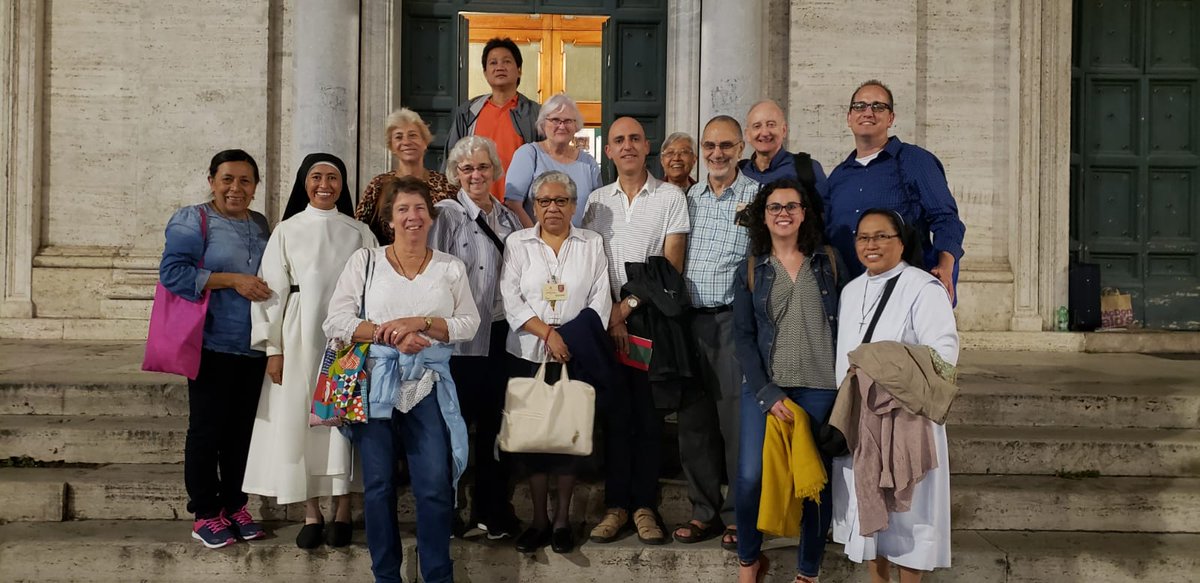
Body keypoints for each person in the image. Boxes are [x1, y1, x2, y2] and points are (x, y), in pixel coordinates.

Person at [323, 176, 479, 583]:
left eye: (420, 209)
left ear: (431, 216)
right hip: (375, 385)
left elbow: (469, 323)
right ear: (389, 219)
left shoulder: (450, 266)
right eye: (403, 209)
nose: (413, 217)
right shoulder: (365, 261)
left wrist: (421, 323)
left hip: (428, 386)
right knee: (377, 487)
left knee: (434, 485)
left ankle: (437, 575)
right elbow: (336, 320)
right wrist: (388, 334)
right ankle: (386, 576)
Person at [242, 153, 376, 549]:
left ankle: (342, 509)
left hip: (347, 339)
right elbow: (271, 292)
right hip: (299, 334)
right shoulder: (287, 230)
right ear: (304, 182)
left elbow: (374, 287)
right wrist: (273, 348)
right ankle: (311, 512)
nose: (324, 185)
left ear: (342, 185)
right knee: (301, 419)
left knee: (341, 421)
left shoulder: (359, 232)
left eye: (333, 177)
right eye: (316, 176)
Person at [831, 209, 957, 583]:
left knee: (909, 518)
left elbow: (943, 356)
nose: (871, 245)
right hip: (863, 420)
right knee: (871, 513)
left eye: (881, 236)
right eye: (863, 237)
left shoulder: (923, 288)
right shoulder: (851, 291)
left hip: (906, 420)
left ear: (901, 242)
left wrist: (878, 364)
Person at [731, 179, 847, 583]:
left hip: (819, 387)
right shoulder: (751, 269)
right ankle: (749, 561)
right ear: (763, 217)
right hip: (765, 388)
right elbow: (742, 337)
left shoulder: (828, 261)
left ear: (804, 213)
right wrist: (767, 392)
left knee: (813, 481)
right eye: (775, 207)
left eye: (791, 206)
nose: (783, 213)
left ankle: (807, 571)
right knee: (750, 477)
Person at [582, 116, 690, 546]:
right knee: (614, 416)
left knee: (647, 417)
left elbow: (670, 266)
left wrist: (625, 309)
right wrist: (608, 313)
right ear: (608, 151)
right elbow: (589, 262)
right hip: (603, 319)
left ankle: (645, 506)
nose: (627, 146)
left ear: (647, 147)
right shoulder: (596, 202)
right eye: (618, 140)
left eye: (634, 139)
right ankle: (616, 506)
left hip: (649, 322)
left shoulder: (670, 197)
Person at [158, 149, 271, 548]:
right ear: (212, 181)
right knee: (207, 430)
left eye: (245, 181)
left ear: (255, 187)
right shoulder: (193, 219)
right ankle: (206, 511)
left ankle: (235, 506)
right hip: (210, 342)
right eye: (227, 179)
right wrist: (233, 280)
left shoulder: (260, 223)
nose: (235, 188)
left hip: (252, 346)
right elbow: (173, 272)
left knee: (241, 433)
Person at [499, 170, 613, 554]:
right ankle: (538, 520)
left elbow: (600, 299)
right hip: (528, 352)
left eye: (561, 201)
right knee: (533, 440)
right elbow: (511, 297)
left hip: (574, 353)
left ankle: (562, 519)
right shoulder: (518, 243)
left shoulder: (591, 243)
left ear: (573, 205)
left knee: (567, 435)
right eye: (544, 201)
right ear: (534, 206)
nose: (552, 208)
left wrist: (570, 339)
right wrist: (548, 334)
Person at [429, 135, 524, 540]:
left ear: (494, 170)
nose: (475, 175)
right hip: (457, 340)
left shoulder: (509, 219)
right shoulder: (445, 216)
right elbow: (432, 274)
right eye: (467, 168)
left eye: (483, 167)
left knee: (493, 429)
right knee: (450, 428)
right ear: (456, 174)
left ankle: (491, 511)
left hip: (500, 336)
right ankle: (446, 510)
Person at [673, 116, 761, 550]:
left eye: (726, 145)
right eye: (709, 146)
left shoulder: (758, 198)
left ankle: (737, 515)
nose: (717, 153)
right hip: (688, 321)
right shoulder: (688, 197)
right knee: (694, 423)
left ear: (741, 148)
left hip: (730, 322)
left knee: (734, 423)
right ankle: (702, 511)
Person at [823, 80, 966, 303]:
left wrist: (946, 266)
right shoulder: (838, 176)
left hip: (904, 295)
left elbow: (946, 219)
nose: (868, 112)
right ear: (849, 117)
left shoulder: (915, 161)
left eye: (878, 106)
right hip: (850, 296)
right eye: (860, 106)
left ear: (891, 118)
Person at [446, 37, 542, 200]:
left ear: (519, 70)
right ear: (485, 72)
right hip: (474, 205)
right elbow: (452, 162)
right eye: (493, 63)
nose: (500, 67)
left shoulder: (536, 114)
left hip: (521, 207)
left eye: (506, 61)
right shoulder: (468, 112)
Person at [356, 108, 457, 244]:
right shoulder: (379, 185)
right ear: (391, 146)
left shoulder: (447, 185)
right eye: (398, 137)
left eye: (413, 135)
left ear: (425, 142)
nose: (406, 142)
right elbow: (358, 230)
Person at [503, 93, 602, 227]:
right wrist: (535, 236)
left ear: (576, 126)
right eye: (555, 120)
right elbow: (512, 204)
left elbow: (597, 210)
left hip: (580, 239)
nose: (562, 126)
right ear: (543, 124)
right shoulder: (528, 154)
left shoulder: (588, 163)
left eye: (568, 121)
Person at [738, 99, 828, 197]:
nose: (764, 133)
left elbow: (824, 206)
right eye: (757, 126)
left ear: (784, 130)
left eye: (771, 125)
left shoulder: (807, 169)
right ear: (747, 135)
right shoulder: (738, 171)